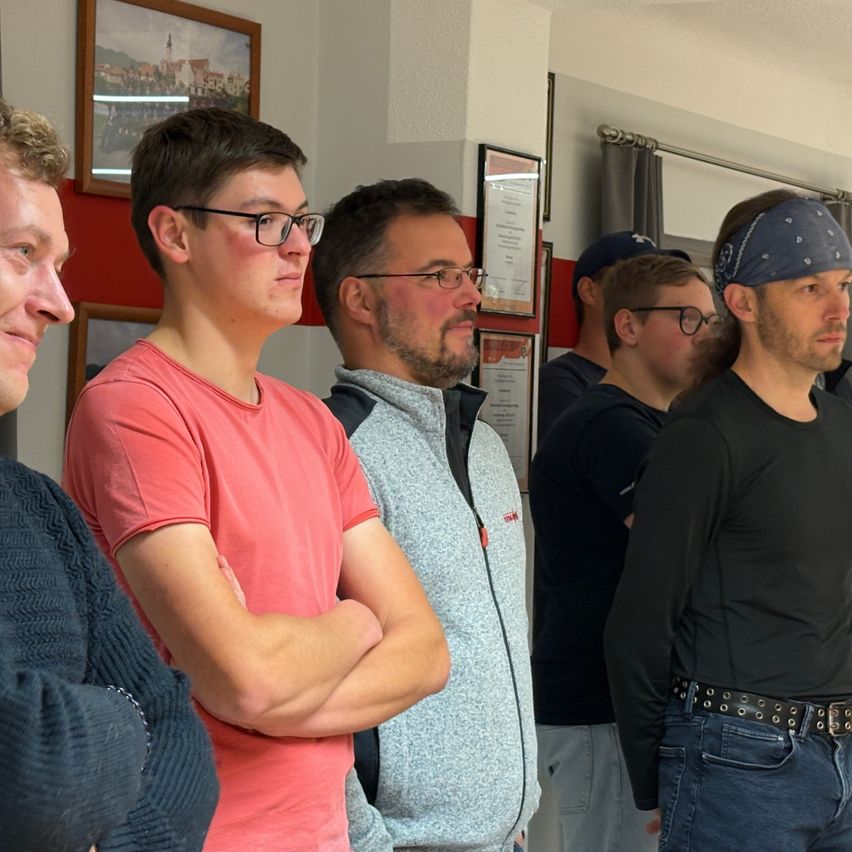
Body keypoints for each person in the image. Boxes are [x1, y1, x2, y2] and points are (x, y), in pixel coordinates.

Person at [63, 110, 449, 851]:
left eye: (304, 221)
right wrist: (356, 623)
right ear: (175, 234)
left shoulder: (313, 423)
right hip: (197, 833)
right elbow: (246, 680)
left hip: (323, 832)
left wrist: (278, 679)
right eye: (267, 221)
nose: (301, 246)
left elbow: (426, 653)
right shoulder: (135, 407)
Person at [0, 99, 218, 850]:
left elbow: (181, 733)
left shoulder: (40, 510)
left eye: (58, 265)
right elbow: (31, 764)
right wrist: (120, 717)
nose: (57, 304)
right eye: (22, 252)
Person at [605, 189, 852, 849]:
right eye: (808, 289)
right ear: (742, 302)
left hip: (842, 754)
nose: (839, 309)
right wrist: (658, 775)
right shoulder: (706, 435)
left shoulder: (842, 427)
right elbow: (639, 623)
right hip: (736, 759)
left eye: (844, 284)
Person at [311, 178, 539, 851]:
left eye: (469, 273)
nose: (471, 294)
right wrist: (366, 840)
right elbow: (302, 686)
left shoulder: (490, 449)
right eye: (440, 275)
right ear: (360, 297)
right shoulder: (330, 453)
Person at [530, 253, 715, 851]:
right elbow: (696, 553)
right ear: (628, 326)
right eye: (688, 319)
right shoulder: (609, 423)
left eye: (711, 322)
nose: (705, 336)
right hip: (598, 705)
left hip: (627, 703)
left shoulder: (659, 423)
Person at [538, 231, 689, 439]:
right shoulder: (559, 382)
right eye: (633, 280)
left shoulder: (658, 382)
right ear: (589, 291)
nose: (650, 292)